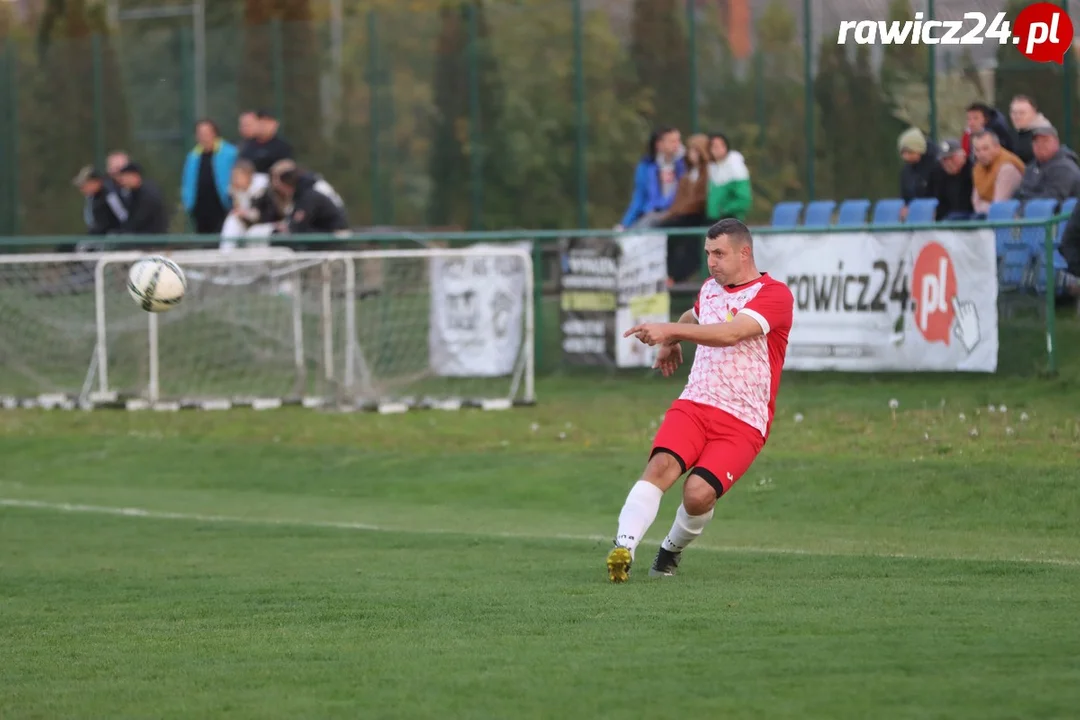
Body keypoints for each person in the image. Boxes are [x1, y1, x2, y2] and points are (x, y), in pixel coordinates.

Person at [606, 218, 794, 583]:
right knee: (660, 467)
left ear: (745, 252)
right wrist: (670, 343)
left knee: (697, 495)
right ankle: (623, 549)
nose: (712, 262)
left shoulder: (773, 295)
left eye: (719, 253)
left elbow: (730, 333)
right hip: (695, 403)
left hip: (743, 420)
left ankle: (668, 553)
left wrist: (670, 331)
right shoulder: (709, 289)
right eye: (708, 253)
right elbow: (695, 316)